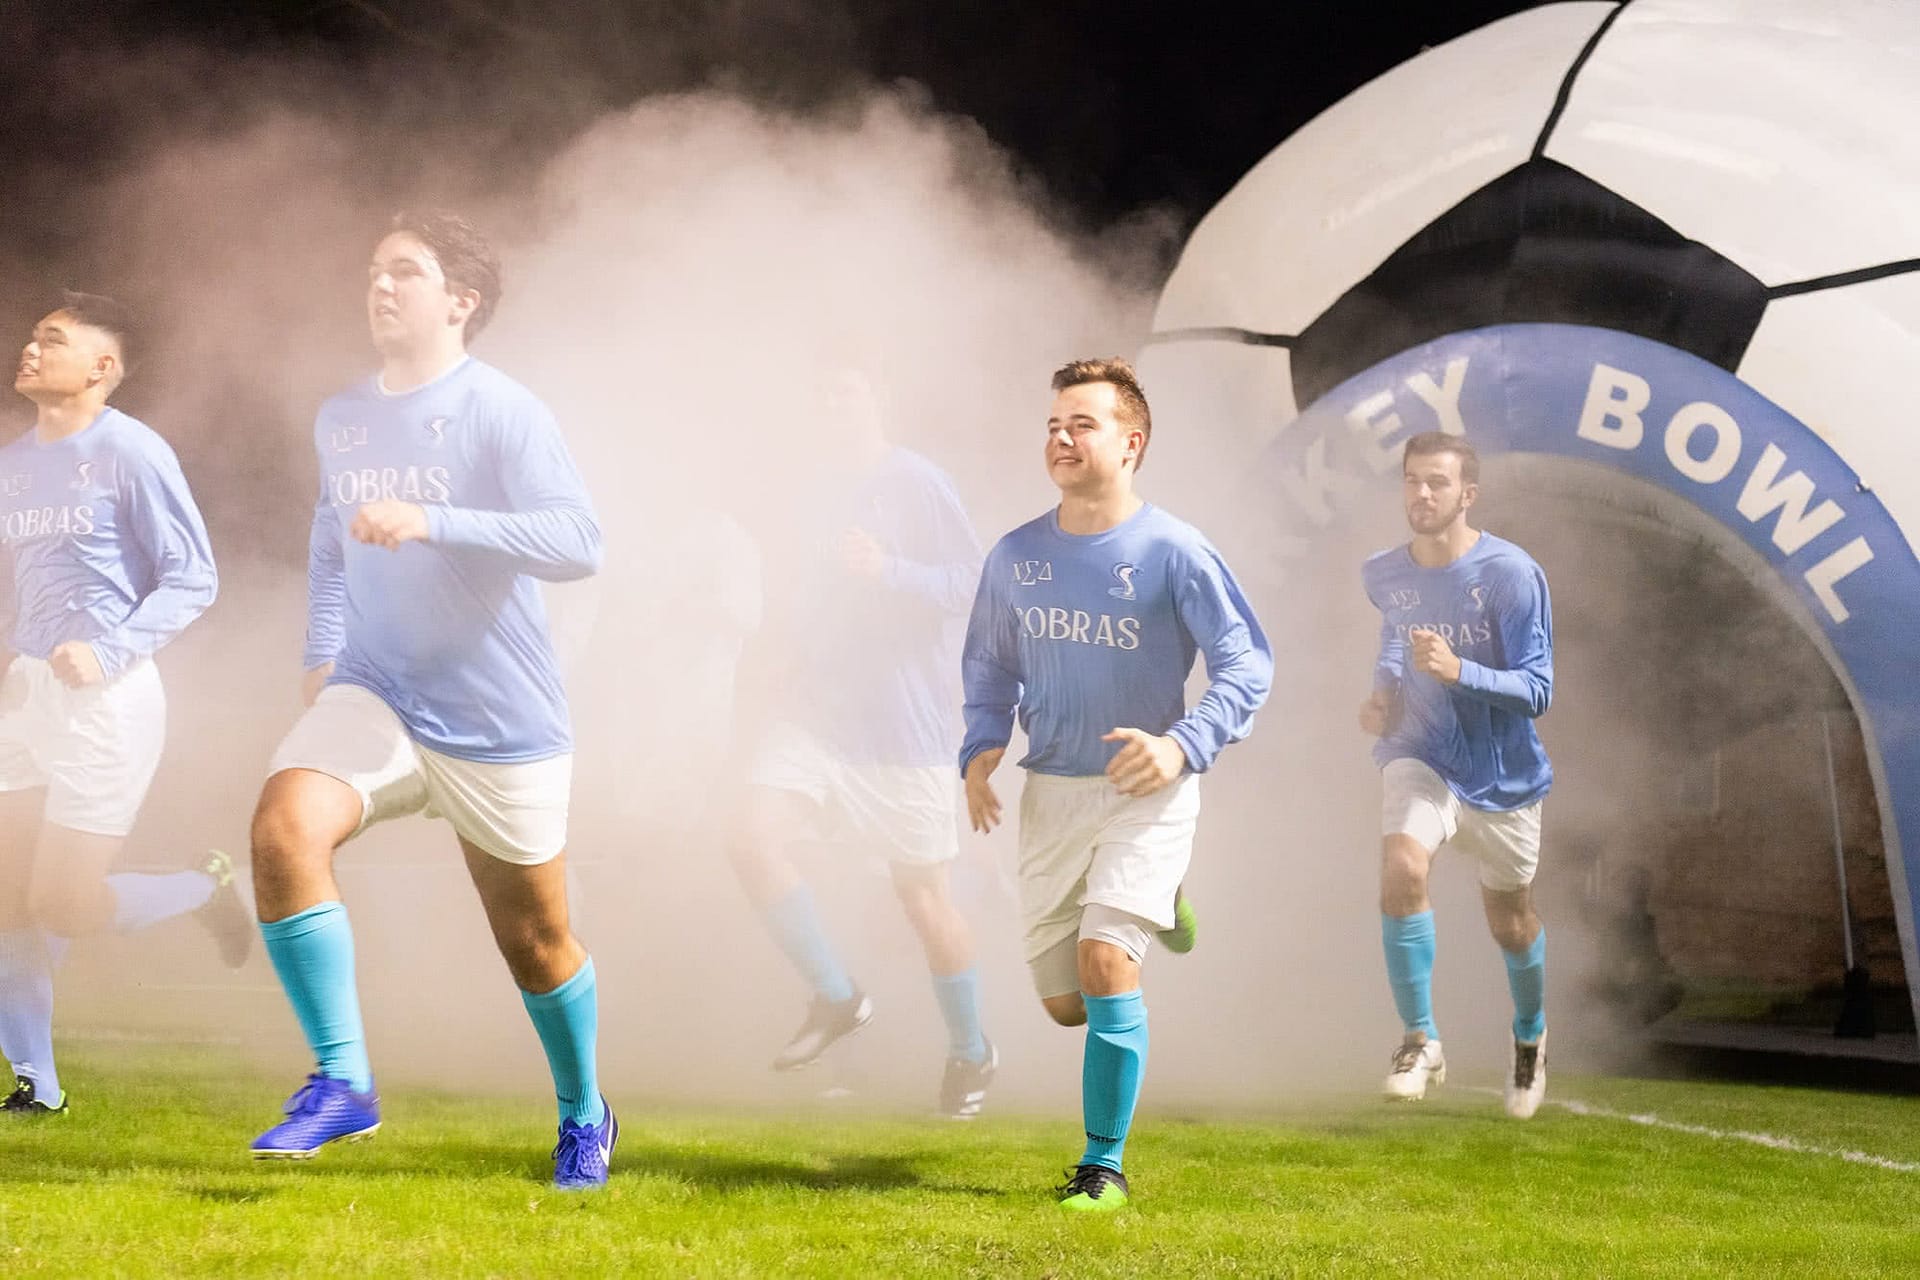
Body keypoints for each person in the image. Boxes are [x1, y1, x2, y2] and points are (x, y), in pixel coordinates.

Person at [245, 213, 613, 1188]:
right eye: (373, 270)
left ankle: (584, 1110)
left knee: (535, 940)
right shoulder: (343, 417)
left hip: (500, 720)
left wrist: (435, 519)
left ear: (462, 300)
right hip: (377, 691)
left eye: (405, 271)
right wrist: (323, 648)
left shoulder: (503, 408)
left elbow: (580, 541)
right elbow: (330, 542)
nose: (381, 286)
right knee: (283, 828)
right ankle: (345, 1078)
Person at [960, 357, 1271, 1210]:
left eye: (1082, 424)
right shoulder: (1016, 555)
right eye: (1054, 424)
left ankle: (1103, 1167)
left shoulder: (1173, 549)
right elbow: (989, 665)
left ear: (1131, 443)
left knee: (1104, 964)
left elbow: (1247, 663)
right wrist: (981, 748)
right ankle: (1163, 905)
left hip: (1148, 792)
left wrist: (1184, 745)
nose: (1061, 437)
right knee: (1067, 1005)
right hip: (1050, 796)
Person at [728, 367, 996, 1119]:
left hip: (903, 730)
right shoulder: (811, 490)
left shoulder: (917, 481)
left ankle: (972, 1051)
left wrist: (890, 570)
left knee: (923, 900)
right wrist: (784, 657)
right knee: (749, 837)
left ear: (883, 394)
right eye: (822, 386)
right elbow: (809, 594)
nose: (829, 399)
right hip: (820, 714)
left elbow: (976, 582)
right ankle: (836, 996)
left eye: (845, 385)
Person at [0, 292, 239, 1118]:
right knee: (5, 899)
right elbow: (23, 581)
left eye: (53, 341)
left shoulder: (131, 451)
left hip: (107, 700)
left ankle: (203, 889)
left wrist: (105, 649)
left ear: (102, 369)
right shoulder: (13, 463)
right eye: (32, 337)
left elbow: (194, 576)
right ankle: (37, 1085)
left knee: (62, 902)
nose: (31, 349)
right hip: (25, 699)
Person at [1359, 431, 1553, 1119]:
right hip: (1423, 754)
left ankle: (1530, 1035)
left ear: (1467, 494)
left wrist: (1458, 670)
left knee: (1512, 922)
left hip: (1504, 778)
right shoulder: (1384, 572)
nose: (1422, 493)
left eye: (1438, 483)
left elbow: (1538, 690)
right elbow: (1395, 635)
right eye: (1413, 480)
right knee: (1402, 866)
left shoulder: (1510, 574)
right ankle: (1420, 1038)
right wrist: (1385, 691)